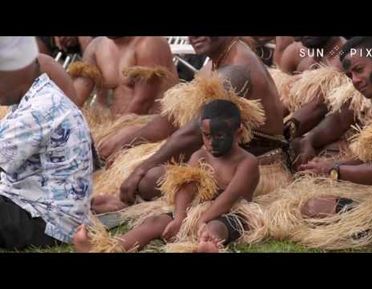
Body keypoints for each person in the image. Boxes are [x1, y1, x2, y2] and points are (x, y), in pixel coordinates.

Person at [97, 37, 284, 205]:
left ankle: (128, 203)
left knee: (150, 180)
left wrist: (142, 167)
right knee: (130, 148)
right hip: (221, 156)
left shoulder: (236, 69)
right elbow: (174, 117)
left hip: (257, 167)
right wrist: (127, 141)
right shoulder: (215, 63)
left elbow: (194, 132)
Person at [74, 100, 260, 252]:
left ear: (238, 134)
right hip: (195, 211)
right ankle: (109, 248)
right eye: (206, 135)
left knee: (216, 228)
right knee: (154, 222)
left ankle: (209, 245)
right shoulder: (200, 156)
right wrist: (179, 218)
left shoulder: (247, 163)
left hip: (231, 212)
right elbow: (185, 187)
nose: (211, 143)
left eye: (219, 137)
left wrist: (202, 221)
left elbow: (229, 198)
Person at [0, 37, 93, 250]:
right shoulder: (40, 97)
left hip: (48, 225)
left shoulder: (39, 110)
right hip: (34, 209)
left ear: (18, 70)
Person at [297, 37, 372, 218]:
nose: (355, 80)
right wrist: (333, 165)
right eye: (349, 75)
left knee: (315, 207)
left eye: (359, 70)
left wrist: (334, 171)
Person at [69, 36, 178, 115]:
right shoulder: (96, 46)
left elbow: (143, 102)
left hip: (150, 128)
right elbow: (76, 97)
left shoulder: (150, 42)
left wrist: (112, 132)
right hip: (112, 126)